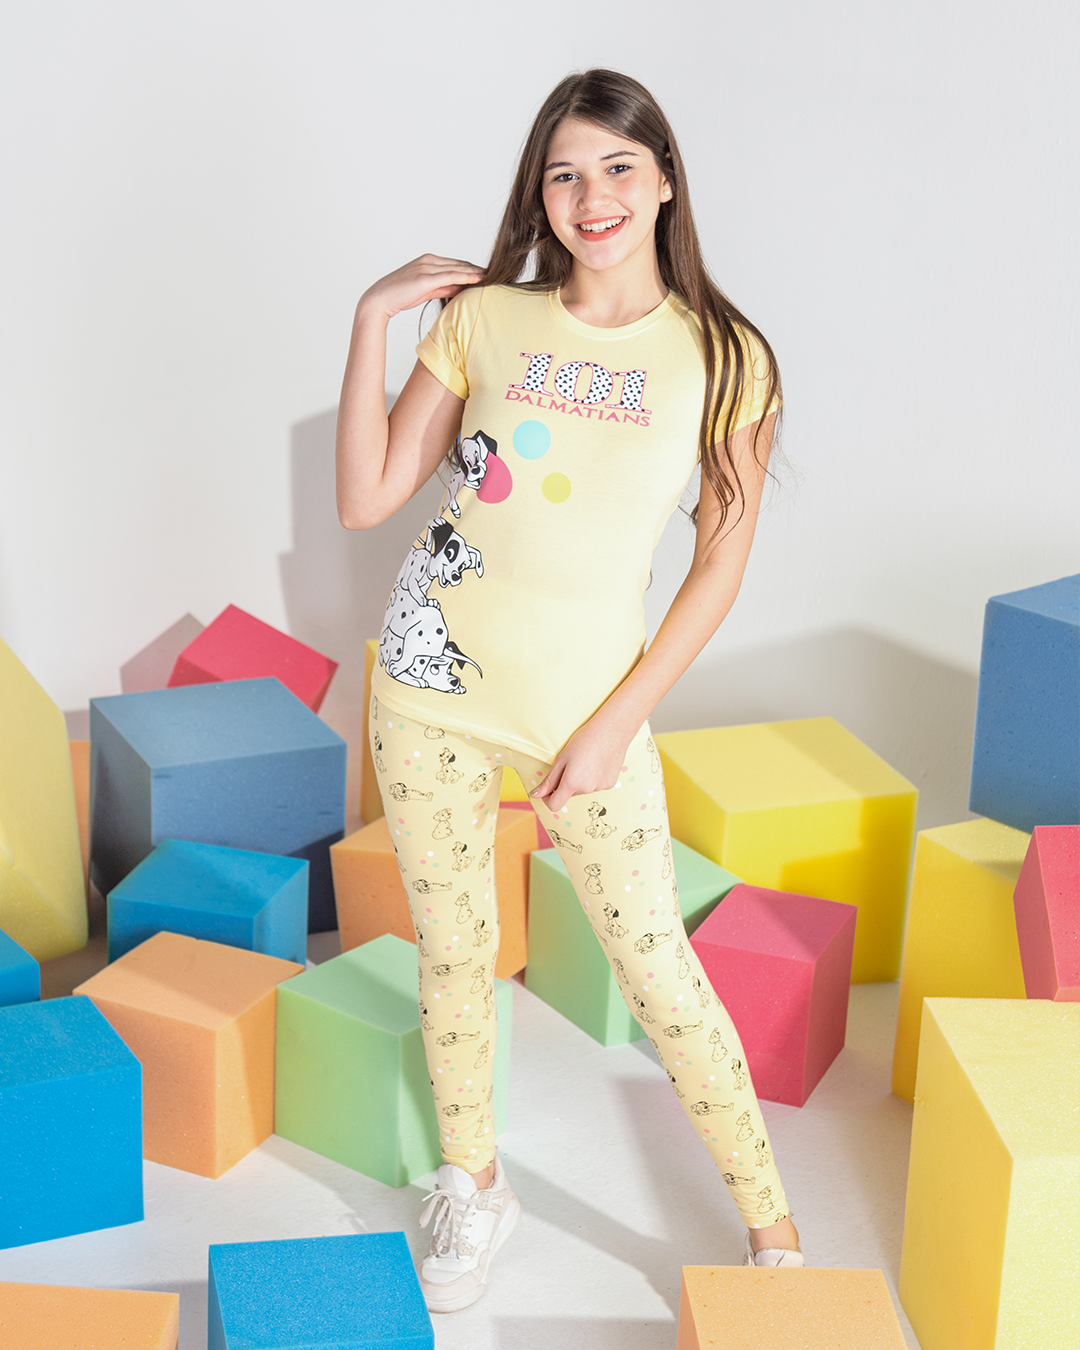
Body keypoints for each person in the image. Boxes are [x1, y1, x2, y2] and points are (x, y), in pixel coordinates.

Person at [335, 67, 802, 1313]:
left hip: (583, 717)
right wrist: (372, 319)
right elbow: (367, 498)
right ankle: (473, 1183)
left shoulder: (725, 357)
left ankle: (775, 1229)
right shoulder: (488, 320)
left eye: (617, 167)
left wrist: (614, 726)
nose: (592, 196)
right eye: (564, 173)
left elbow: (718, 567)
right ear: (537, 196)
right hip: (426, 686)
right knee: (455, 954)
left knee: (657, 973)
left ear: (665, 180)